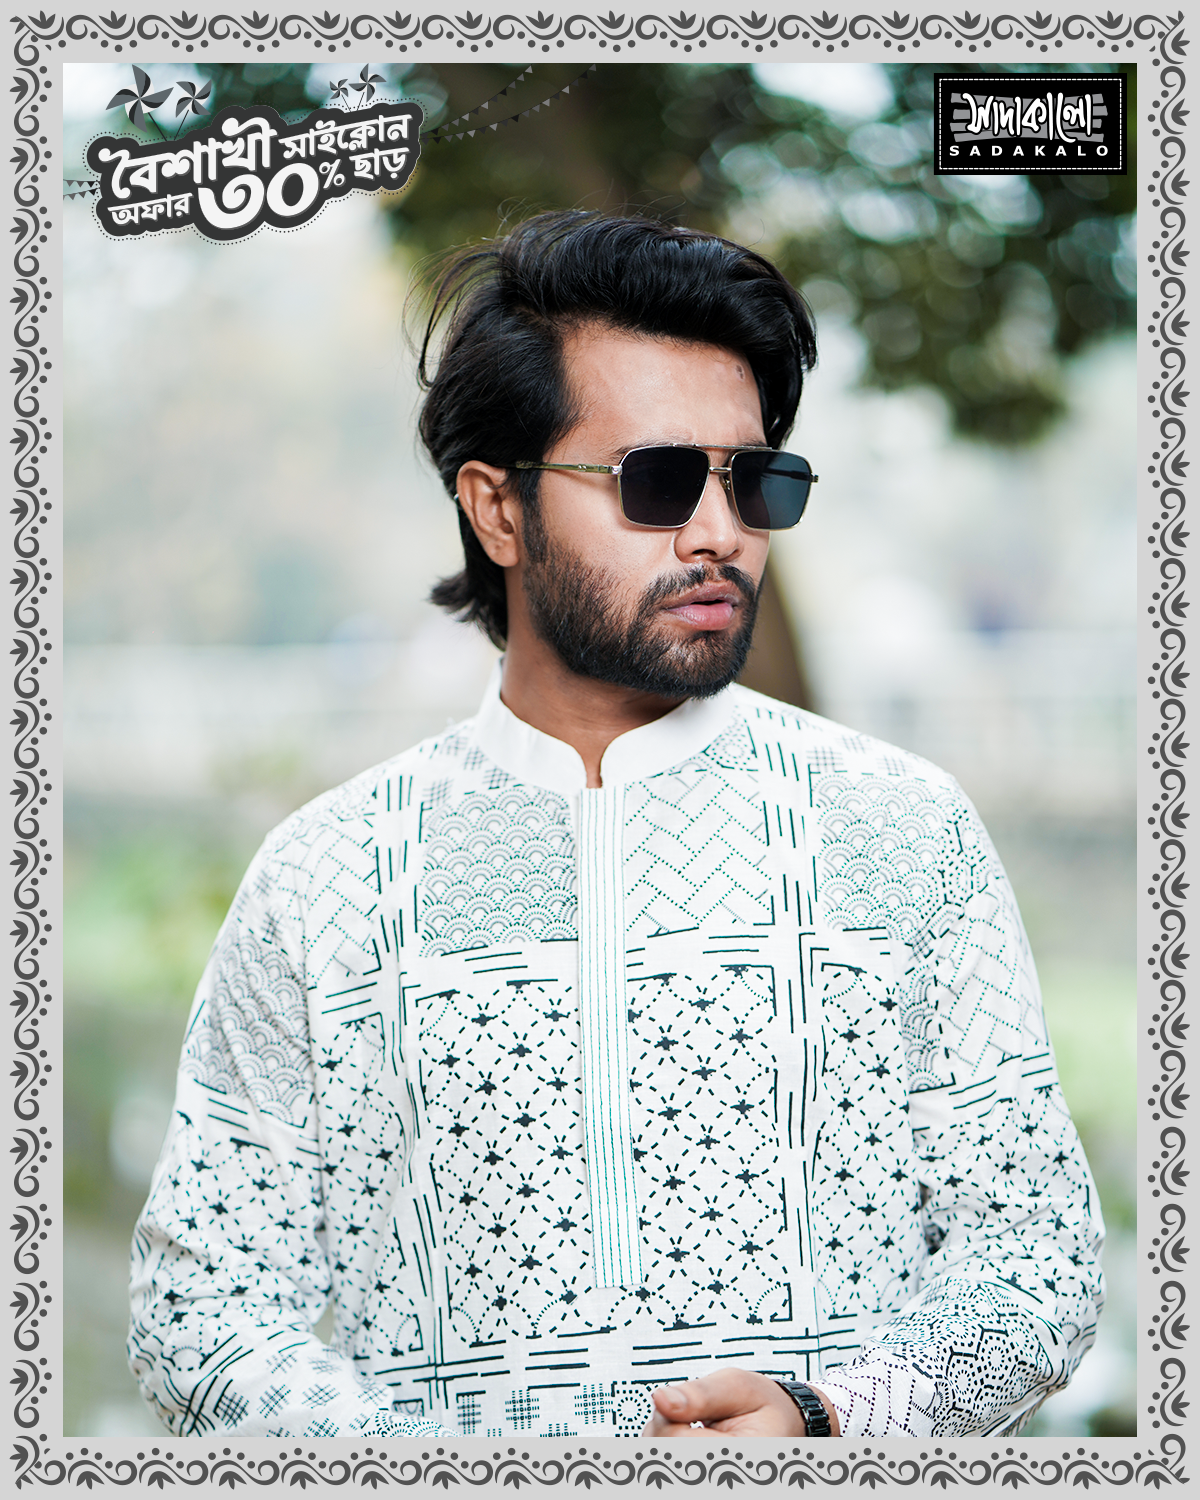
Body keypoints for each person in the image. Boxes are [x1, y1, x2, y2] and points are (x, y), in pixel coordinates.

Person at [128, 211, 1103, 1442]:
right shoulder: (328, 880)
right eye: (658, 481)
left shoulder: (902, 832)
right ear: (498, 509)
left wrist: (828, 1418)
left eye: (753, 481)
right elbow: (204, 1310)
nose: (719, 532)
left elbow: (1037, 1262)